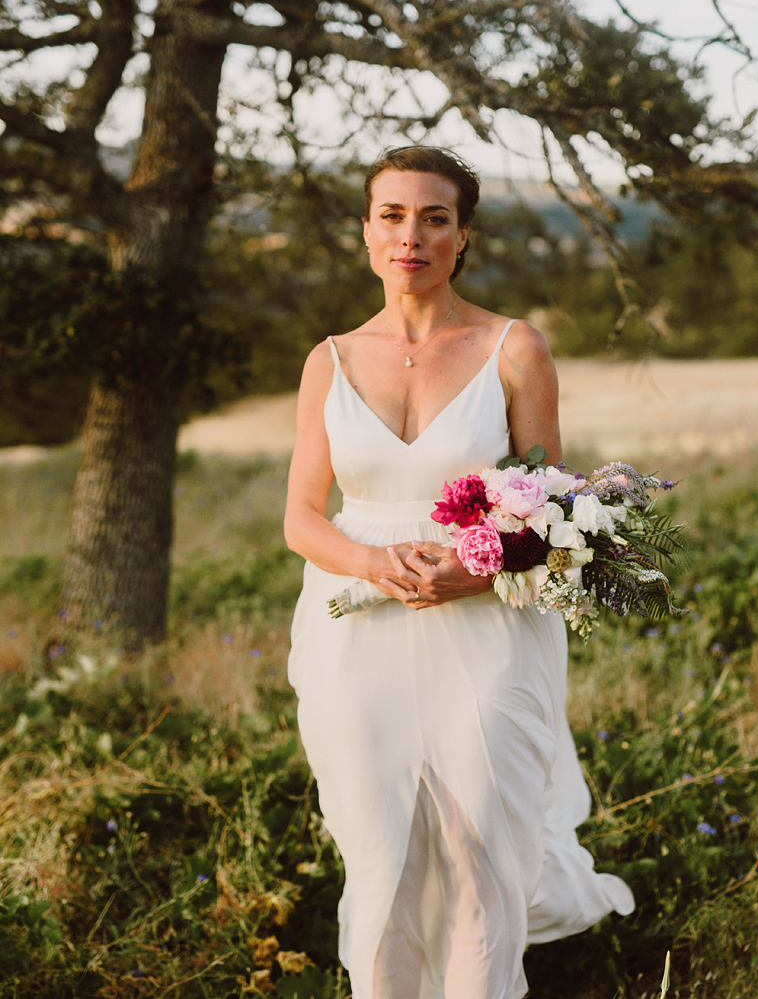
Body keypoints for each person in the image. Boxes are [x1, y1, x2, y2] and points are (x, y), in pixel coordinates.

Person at [283, 146, 633, 999]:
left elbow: (556, 515)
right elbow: (299, 517)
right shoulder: (327, 361)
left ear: (462, 234)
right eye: (394, 216)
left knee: (484, 851)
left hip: (486, 625)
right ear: (367, 232)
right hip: (355, 628)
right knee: (381, 860)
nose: (413, 235)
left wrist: (473, 573)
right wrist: (373, 560)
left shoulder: (515, 349)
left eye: (434, 217)